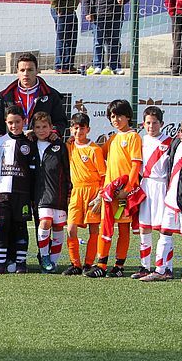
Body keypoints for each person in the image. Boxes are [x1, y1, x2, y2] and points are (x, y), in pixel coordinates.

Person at [86, 99, 142, 278]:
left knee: (123, 229)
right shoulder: (113, 138)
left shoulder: (133, 137)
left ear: (128, 117)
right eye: (112, 116)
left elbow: (135, 166)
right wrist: (80, 142)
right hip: (110, 194)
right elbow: (97, 152)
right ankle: (101, 264)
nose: (115, 119)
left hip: (124, 194)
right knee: (105, 227)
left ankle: (119, 266)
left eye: (119, 115)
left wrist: (128, 188)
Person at [140, 115, 182, 283]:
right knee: (164, 233)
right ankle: (161, 270)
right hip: (171, 198)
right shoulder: (176, 144)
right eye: (180, 130)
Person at [0, 105, 37, 274]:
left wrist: (32, 195)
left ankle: (21, 262)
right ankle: (0, 262)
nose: (14, 126)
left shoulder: (30, 144)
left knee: (21, 227)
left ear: (24, 122)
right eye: (10, 122)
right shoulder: (0, 141)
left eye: (18, 122)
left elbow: (32, 173)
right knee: (2, 227)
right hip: (3, 193)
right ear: (5, 123)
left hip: (22, 194)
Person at [132, 106, 172, 279]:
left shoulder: (170, 142)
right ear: (143, 123)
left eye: (155, 123)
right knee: (144, 228)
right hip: (146, 186)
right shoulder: (140, 141)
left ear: (161, 124)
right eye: (148, 123)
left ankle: (165, 267)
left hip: (163, 187)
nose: (151, 126)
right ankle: (144, 266)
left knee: (165, 229)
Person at [64, 113, 106, 276]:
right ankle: (75, 264)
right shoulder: (70, 146)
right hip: (76, 191)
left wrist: (100, 196)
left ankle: (89, 263)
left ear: (88, 129)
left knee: (94, 229)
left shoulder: (94, 149)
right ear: (71, 129)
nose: (78, 131)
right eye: (75, 127)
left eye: (82, 128)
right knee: (71, 228)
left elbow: (103, 176)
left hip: (93, 191)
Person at [32, 112, 70, 273]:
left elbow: (68, 169)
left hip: (59, 192)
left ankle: (53, 261)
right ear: (32, 129)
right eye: (37, 127)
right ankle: (44, 256)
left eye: (44, 127)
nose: (41, 130)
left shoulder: (59, 146)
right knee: (45, 222)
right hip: (40, 194)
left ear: (51, 128)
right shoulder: (30, 145)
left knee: (58, 227)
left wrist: (69, 191)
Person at [0, 52, 68, 137]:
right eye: (22, 70)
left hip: (41, 141)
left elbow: (61, 121)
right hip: (15, 142)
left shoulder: (51, 94)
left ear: (37, 71)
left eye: (30, 70)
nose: (26, 74)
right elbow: (0, 123)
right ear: (17, 71)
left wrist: (55, 132)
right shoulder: (7, 95)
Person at [84, 0, 130, 75]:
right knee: (98, 41)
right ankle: (98, 65)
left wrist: (124, 0)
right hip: (99, 14)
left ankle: (115, 66)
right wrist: (88, 12)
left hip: (116, 14)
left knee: (114, 41)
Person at [49, 0, 83, 74]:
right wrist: (58, 9)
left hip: (71, 11)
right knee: (62, 39)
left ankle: (69, 65)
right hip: (62, 11)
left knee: (72, 38)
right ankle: (60, 65)